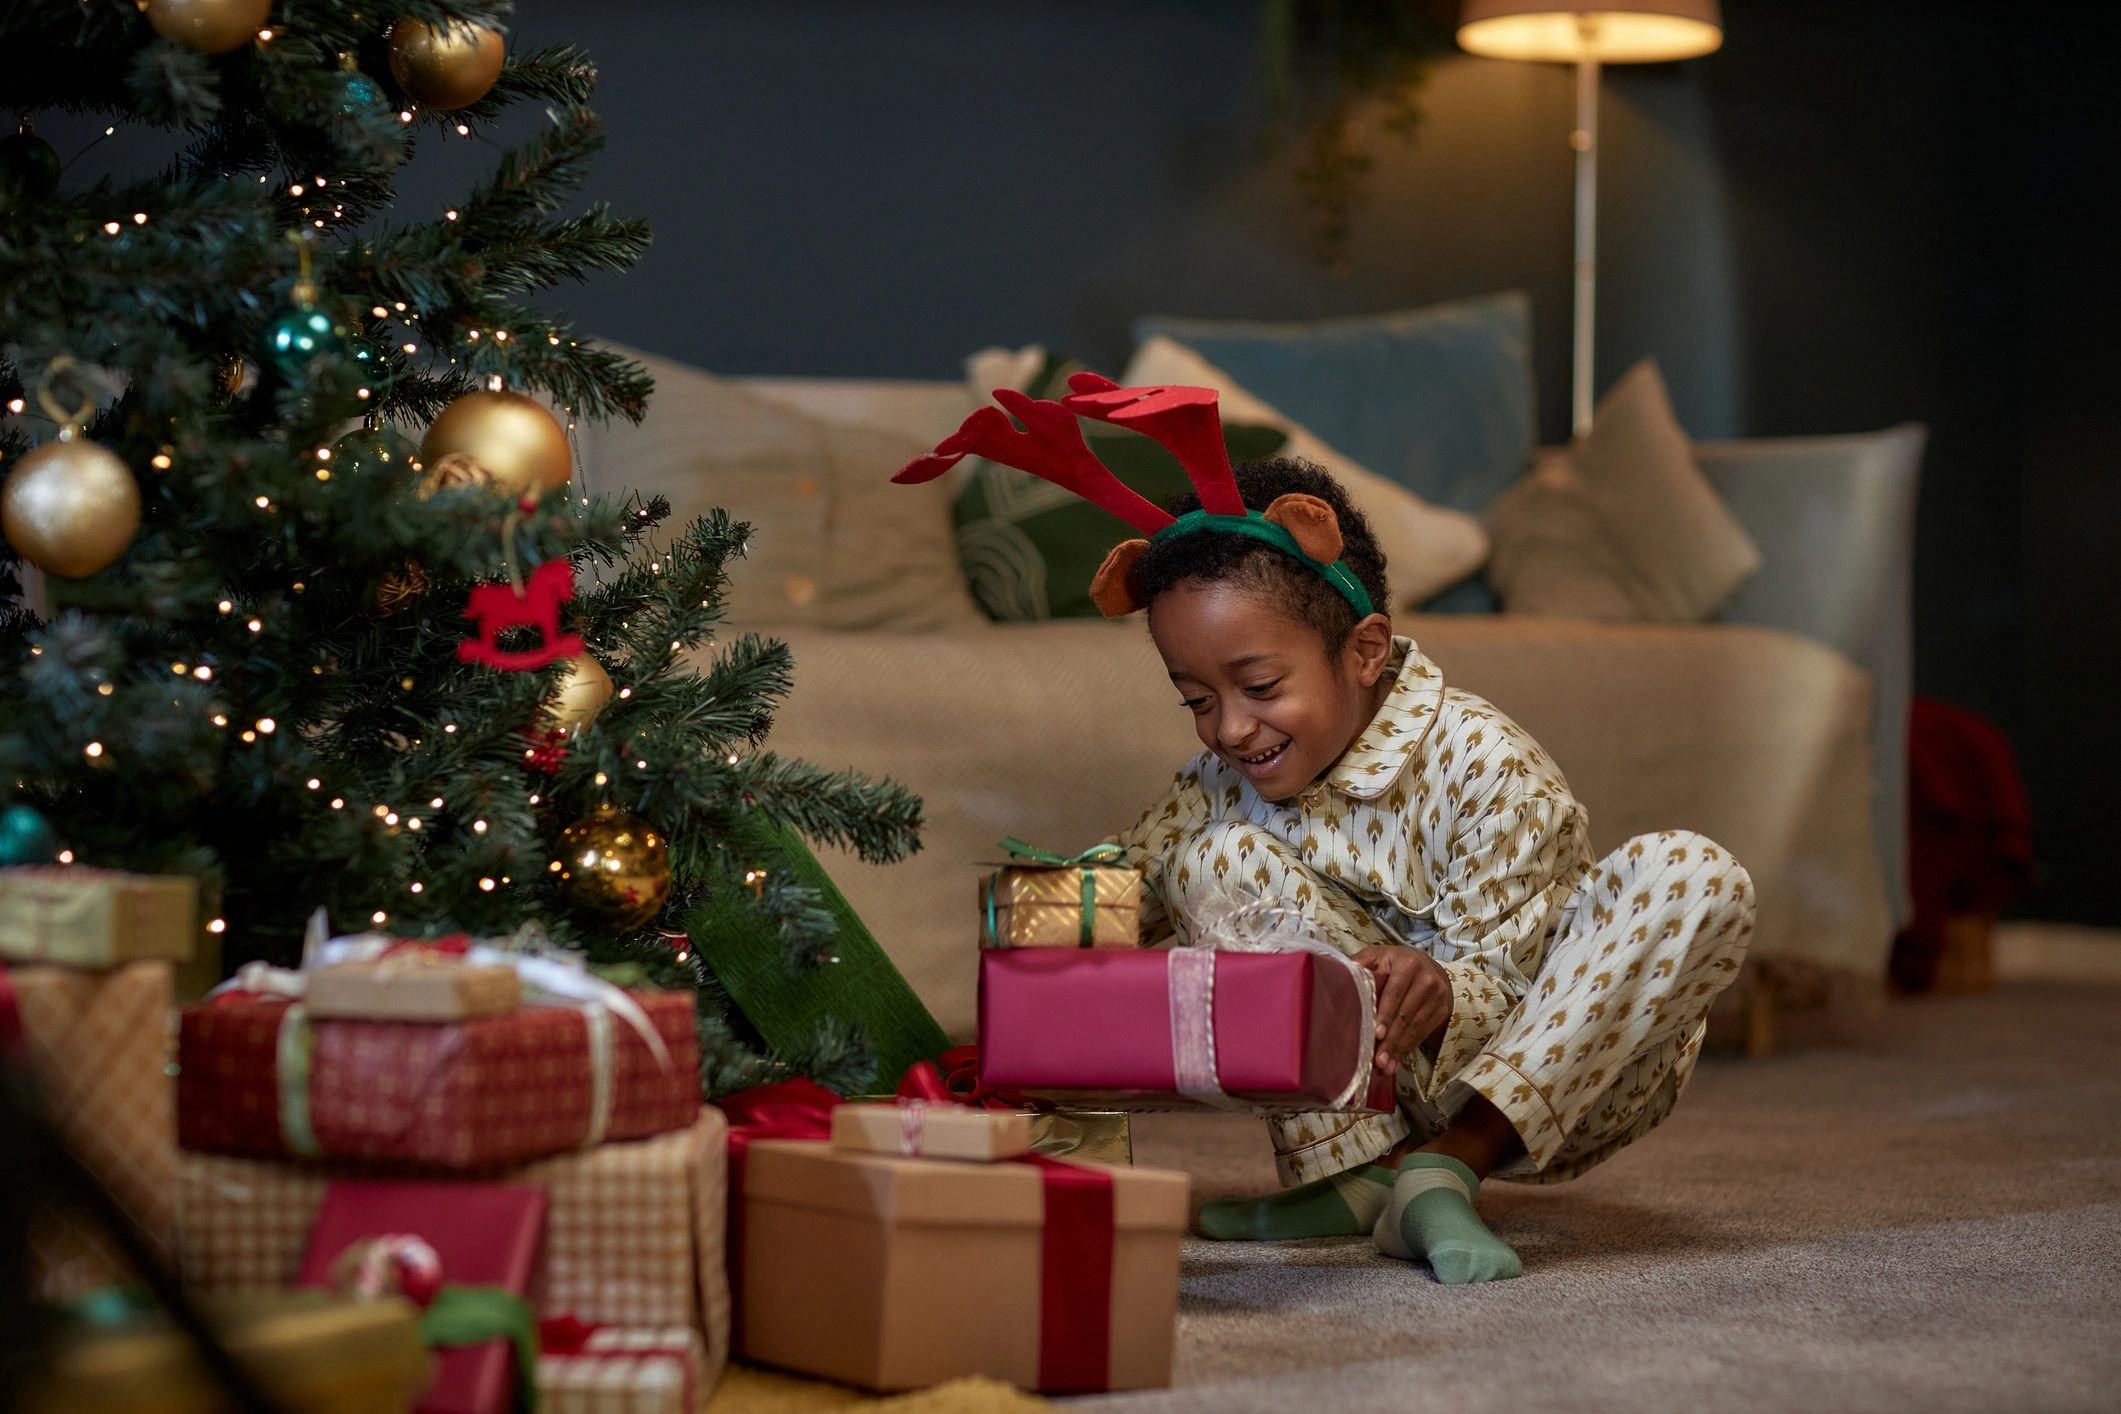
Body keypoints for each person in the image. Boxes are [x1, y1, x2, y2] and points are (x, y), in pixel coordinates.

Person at [895, 376, 1757, 1284]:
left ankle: (1443, 1169)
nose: (1230, 728)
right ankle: (1360, 1174)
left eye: (1259, 689)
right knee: (1211, 858)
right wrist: (1016, 975)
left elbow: (1510, 985)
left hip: (1548, 1075)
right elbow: (1115, 889)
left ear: (1366, 650)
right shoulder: (1219, 785)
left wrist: (1439, 985)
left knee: (1691, 871)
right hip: (1369, 1084)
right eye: (1196, 700)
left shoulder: (1484, 760)